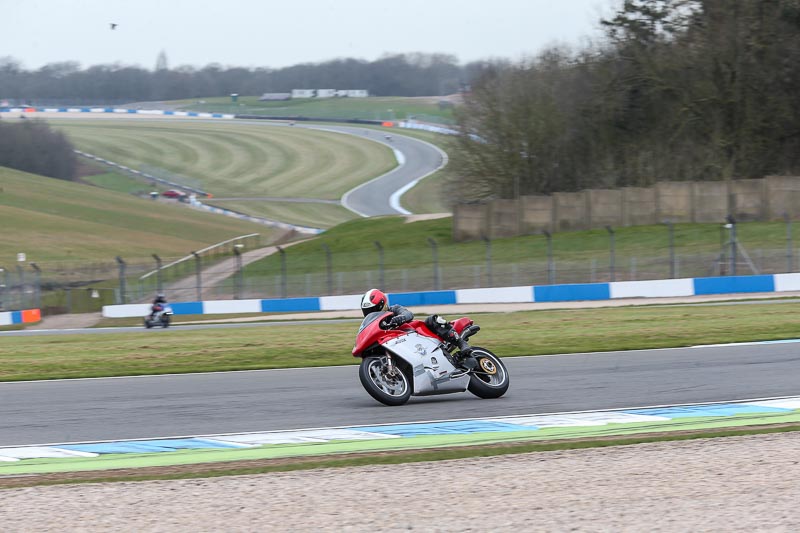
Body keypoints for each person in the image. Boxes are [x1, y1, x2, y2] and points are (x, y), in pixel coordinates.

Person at [360, 288, 474, 366]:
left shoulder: (394, 309)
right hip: (404, 347)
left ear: (382, 304)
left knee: (432, 320)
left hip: (419, 334)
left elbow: (408, 314)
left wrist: (401, 318)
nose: (370, 313)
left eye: (373, 310)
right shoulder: (376, 324)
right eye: (368, 311)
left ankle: (461, 343)